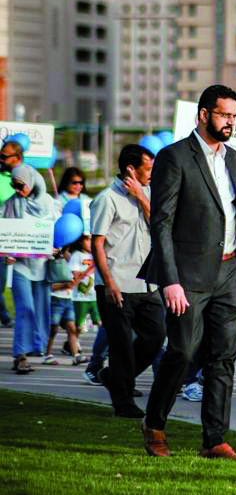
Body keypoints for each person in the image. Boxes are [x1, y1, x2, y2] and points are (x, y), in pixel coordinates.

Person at [140, 84, 236, 461]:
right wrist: (170, 280)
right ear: (203, 115)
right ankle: (154, 424)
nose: (231, 122)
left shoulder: (234, 159)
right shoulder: (174, 156)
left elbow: (234, 216)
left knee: (223, 358)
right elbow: (161, 222)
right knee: (181, 352)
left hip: (230, 272)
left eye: (234, 116)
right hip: (188, 275)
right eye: (225, 115)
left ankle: (214, 440)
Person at [91, 143, 166, 418]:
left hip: (147, 283)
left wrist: (141, 197)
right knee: (121, 346)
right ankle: (123, 402)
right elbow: (97, 244)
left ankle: (114, 376)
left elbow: (160, 225)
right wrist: (109, 283)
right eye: (148, 168)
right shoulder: (106, 199)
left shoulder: (149, 193)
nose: (152, 173)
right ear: (131, 170)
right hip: (117, 284)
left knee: (155, 337)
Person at [4, 163, 55, 374]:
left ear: (31, 182)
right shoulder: (11, 204)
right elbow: (5, 232)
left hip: (43, 266)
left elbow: (58, 229)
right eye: (13, 185)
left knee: (41, 310)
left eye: (20, 185)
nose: (17, 190)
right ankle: (20, 355)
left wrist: (58, 247)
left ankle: (36, 346)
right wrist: (7, 252)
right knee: (25, 308)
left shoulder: (49, 203)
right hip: (20, 267)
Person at [44, 241, 83, 365]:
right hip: (55, 299)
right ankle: (47, 354)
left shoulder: (73, 264)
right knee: (53, 328)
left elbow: (73, 283)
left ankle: (76, 355)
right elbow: (50, 286)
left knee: (72, 328)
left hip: (68, 299)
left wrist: (76, 279)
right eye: (68, 252)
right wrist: (65, 285)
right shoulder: (54, 263)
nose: (70, 255)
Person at [70, 235, 100, 338]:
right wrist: (90, 269)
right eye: (87, 240)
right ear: (81, 242)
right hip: (80, 297)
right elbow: (76, 275)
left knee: (99, 322)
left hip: (94, 296)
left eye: (92, 240)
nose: (90, 243)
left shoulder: (96, 254)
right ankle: (74, 343)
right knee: (79, 325)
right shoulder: (76, 255)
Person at [57, 167, 92, 234]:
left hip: (85, 234)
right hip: (67, 233)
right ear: (66, 182)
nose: (78, 186)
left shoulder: (87, 199)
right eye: (74, 183)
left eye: (81, 183)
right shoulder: (58, 200)